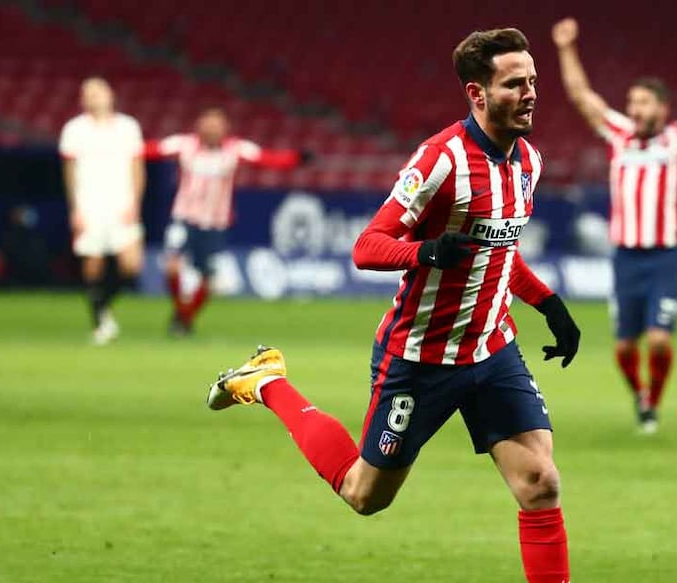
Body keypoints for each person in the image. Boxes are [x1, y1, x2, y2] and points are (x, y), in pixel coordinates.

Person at [204, 28, 580, 583]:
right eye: (514, 84)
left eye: (532, 82)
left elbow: (497, 250)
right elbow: (366, 246)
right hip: (420, 356)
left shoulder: (528, 161)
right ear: (477, 94)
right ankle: (265, 383)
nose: (529, 94)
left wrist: (549, 304)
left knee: (540, 483)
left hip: (491, 349)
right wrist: (426, 250)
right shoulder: (440, 160)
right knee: (364, 494)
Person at [552, 17, 677, 433]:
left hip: (665, 255)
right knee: (625, 347)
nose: (635, 109)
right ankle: (639, 396)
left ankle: (653, 403)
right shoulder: (619, 135)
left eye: (643, 102)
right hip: (625, 256)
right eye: (632, 102)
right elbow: (581, 95)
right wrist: (565, 47)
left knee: (659, 339)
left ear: (663, 108)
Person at [144, 108, 307, 335]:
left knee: (209, 280)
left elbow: (266, 158)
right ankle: (182, 314)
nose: (211, 129)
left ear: (224, 129)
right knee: (172, 267)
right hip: (183, 218)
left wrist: (297, 158)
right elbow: (152, 150)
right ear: (199, 126)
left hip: (215, 223)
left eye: (216, 125)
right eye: (207, 125)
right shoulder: (184, 144)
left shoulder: (235, 149)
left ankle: (184, 319)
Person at [59, 77, 145, 345]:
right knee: (93, 262)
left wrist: (135, 202)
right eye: (88, 93)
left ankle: (103, 305)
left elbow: (137, 168)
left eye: (98, 91)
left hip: (121, 203)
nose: (94, 97)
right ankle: (99, 320)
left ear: (111, 95)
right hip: (90, 204)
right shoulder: (74, 129)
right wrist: (75, 209)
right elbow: (69, 172)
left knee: (130, 265)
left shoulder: (128, 127)